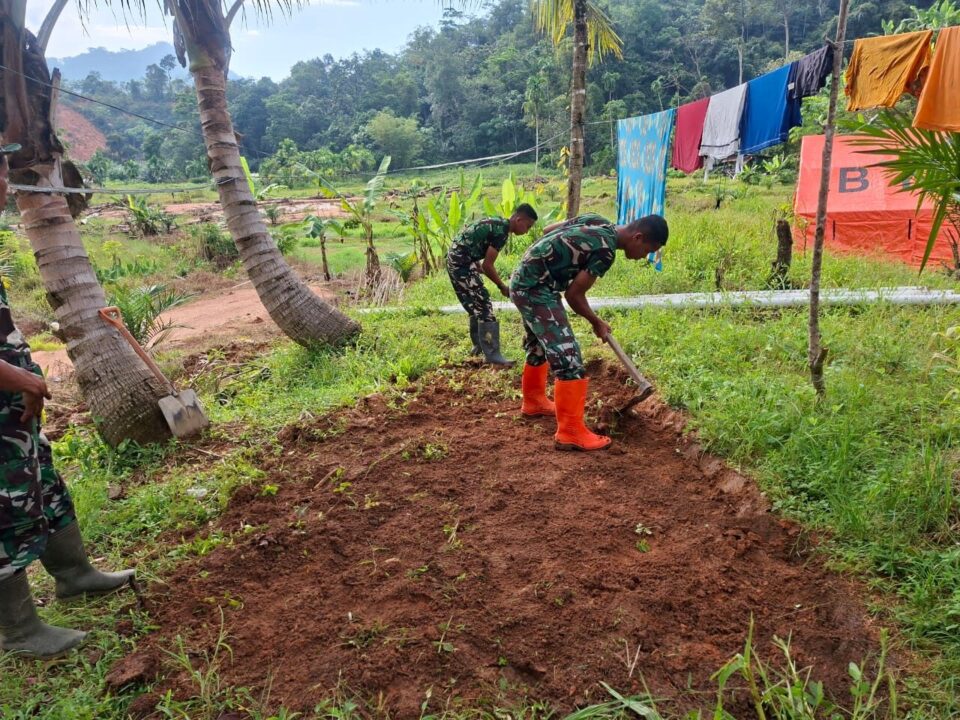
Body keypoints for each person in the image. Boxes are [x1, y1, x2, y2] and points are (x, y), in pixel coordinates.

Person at [0, 144, 134, 659]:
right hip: (8, 396)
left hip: (12, 409)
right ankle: (20, 631)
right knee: (3, 509)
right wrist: (24, 379)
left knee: (43, 485)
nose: (8, 184)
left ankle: (74, 574)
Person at [510, 213, 669, 451]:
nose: (643, 257)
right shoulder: (605, 251)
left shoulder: (598, 221)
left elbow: (548, 231)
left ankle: (534, 401)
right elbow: (574, 296)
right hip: (536, 288)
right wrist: (596, 322)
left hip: (525, 279)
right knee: (569, 357)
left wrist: (558, 259)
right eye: (648, 250)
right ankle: (570, 432)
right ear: (638, 237)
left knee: (538, 345)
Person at [447, 204, 538, 366]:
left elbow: (472, 241)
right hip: (461, 262)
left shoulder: (497, 222)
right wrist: (502, 286)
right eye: (528, 226)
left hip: (455, 258)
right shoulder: (501, 232)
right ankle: (493, 355)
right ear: (519, 219)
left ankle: (479, 347)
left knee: (474, 303)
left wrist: (475, 265)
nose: (527, 231)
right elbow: (487, 266)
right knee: (484, 305)